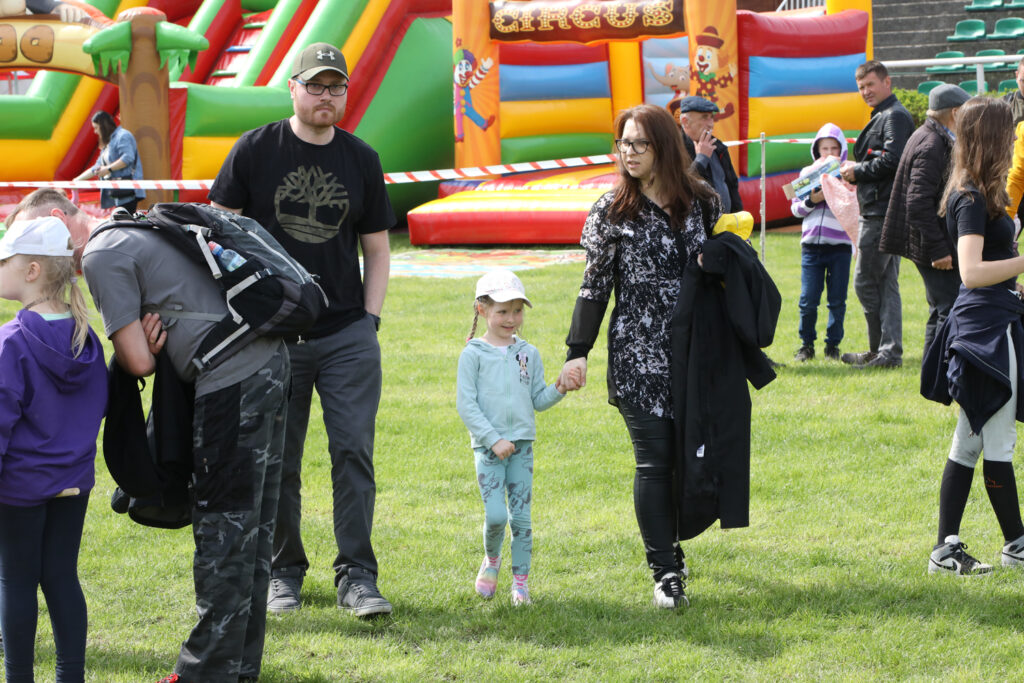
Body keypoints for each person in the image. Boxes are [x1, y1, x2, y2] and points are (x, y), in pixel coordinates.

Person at [13, 188, 289, 683]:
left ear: (56, 219)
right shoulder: (128, 225)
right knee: (254, 527)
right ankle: (239, 668)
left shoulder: (99, 254)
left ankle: (206, 673)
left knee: (224, 527)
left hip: (231, 382)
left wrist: (137, 345)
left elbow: (138, 360)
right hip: (267, 362)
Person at [208, 42, 396, 617]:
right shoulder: (255, 150)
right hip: (273, 337)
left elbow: (377, 249)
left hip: (346, 335)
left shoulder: (361, 159)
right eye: (315, 85)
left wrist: (370, 319)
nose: (325, 96)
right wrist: (240, 315)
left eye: (335, 86)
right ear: (293, 88)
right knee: (278, 461)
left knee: (353, 453)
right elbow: (218, 237)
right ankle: (283, 572)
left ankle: (357, 576)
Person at [557, 104, 724, 609]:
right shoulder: (611, 212)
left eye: (638, 144)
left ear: (664, 147)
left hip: (692, 352)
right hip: (637, 353)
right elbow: (594, 288)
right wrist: (577, 352)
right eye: (623, 143)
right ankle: (665, 572)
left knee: (684, 459)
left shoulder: (702, 202)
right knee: (654, 462)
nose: (628, 153)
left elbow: (723, 265)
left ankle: (671, 545)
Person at [0, 216, 106, 683]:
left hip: (19, 488)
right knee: (62, 576)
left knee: (16, 580)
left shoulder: (11, 341)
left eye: (4, 260)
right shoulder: (87, 337)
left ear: (32, 271)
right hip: (74, 482)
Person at [921, 98, 1024, 576]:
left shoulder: (977, 192)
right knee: (996, 442)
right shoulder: (970, 198)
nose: (1015, 141)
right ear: (992, 139)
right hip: (985, 331)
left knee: (970, 441)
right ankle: (1015, 546)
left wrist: (1013, 284)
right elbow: (971, 272)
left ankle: (948, 550)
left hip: (992, 320)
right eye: (1010, 134)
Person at [457, 270, 570, 606]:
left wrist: (560, 387)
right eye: (503, 311)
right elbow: (466, 405)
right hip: (489, 450)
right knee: (496, 516)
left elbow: (538, 399)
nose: (511, 319)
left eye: (517, 310)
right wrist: (493, 440)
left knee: (521, 519)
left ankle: (520, 584)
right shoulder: (473, 354)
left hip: (521, 449)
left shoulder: (528, 353)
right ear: (482, 310)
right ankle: (492, 560)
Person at [880, 84, 970, 357]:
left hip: (929, 242)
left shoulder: (931, 135)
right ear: (955, 113)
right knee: (949, 310)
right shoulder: (931, 144)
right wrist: (938, 250)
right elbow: (917, 204)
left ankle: (930, 373)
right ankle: (939, 372)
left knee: (940, 309)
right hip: (932, 245)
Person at [838, 60, 914, 369]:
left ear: (887, 82)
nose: (866, 91)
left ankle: (883, 352)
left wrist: (857, 171)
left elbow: (894, 161)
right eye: (861, 87)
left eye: (870, 84)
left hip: (882, 211)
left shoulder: (894, 115)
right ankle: (885, 352)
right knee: (885, 282)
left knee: (865, 281)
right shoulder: (885, 114)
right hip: (881, 208)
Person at [791, 123, 854, 362]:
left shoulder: (849, 173)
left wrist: (837, 188)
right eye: (824, 148)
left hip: (840, 246)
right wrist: (812, 200)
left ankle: (833, 346)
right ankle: (806, 345)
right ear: (816, 150)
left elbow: (852, 204)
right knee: (808, 300)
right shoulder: (807, 173)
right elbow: (795, 209)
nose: (828, 153)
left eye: (834, 148)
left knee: (837, 300)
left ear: (842, 150)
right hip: (811, 247)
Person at [674, 95, 742, 213]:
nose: (711, 124)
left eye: (711, 117)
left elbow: (732, 183)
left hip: (727, 221)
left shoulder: (718, 146)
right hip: (697, 223)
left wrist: (738, 214)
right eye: (704, 117)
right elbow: (681, 190)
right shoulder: (675, 149)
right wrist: (701, 159)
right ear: (685, 122)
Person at [74, 111, 145, 214]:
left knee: (124, 220)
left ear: (103, 126)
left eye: (96, 128)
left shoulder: (123, 136)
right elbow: (97, 167)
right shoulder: (109, 143)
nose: (95, 131)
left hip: (127, 192)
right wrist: (77, 180)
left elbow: (128, 158)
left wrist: (108, 169)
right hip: (117, 193)